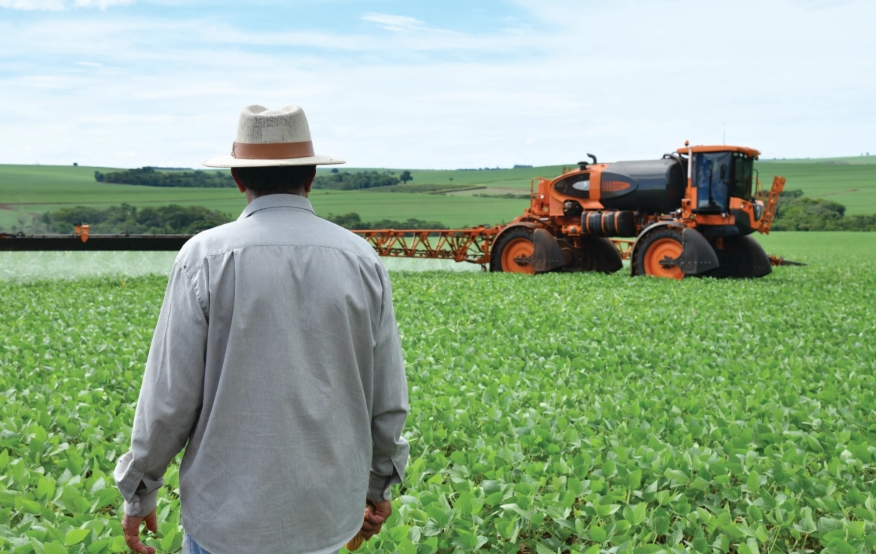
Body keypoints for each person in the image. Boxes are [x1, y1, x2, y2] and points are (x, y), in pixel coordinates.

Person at [113, 104, 410, 554]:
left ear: (239, 179)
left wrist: (140, 491)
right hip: (326, 517)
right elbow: (387, 398)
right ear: (311, 176)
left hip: (226, 521)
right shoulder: (361, 260)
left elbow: (168, 400)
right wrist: (380, 485)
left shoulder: (203, 258)